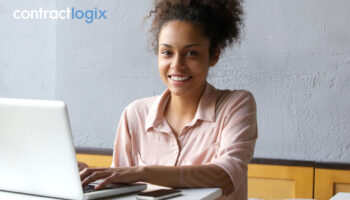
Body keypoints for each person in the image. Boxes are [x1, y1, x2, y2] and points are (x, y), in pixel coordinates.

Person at [79, 0, 257, 199]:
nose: (177, 65)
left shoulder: (236, 104)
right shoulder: (135, 114)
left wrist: (143, 172)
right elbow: (119, 185)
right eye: (167, 53)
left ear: (214, 55)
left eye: (191, 53)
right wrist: (88, 175)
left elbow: (225, 175)